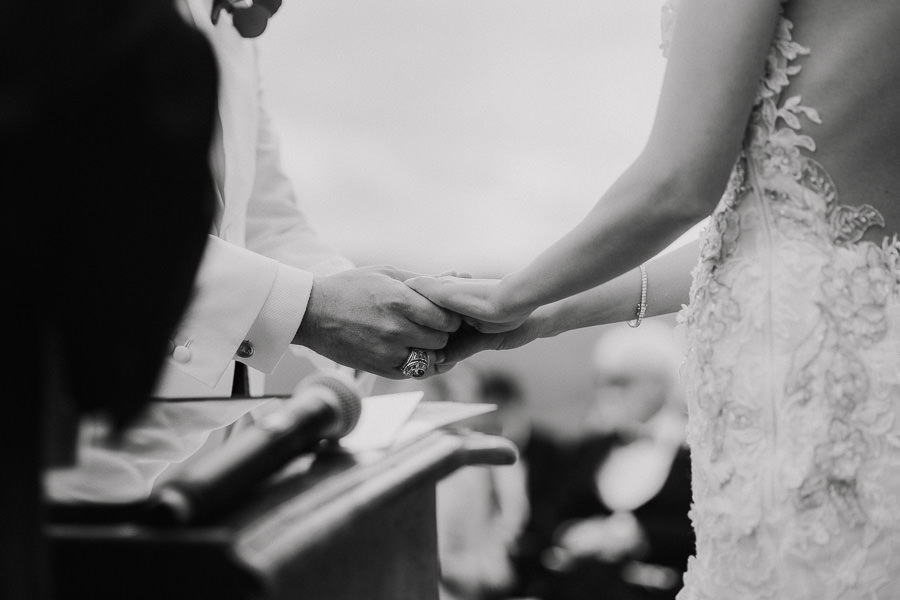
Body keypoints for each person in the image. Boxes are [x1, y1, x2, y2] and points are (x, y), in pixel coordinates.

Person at [408, 1, 900, 597]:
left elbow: (678, 183)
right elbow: (772, 240)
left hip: (794, 377)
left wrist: (511, 296)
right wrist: (547, 310)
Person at [46, 0, 460, 504]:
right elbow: (71, 225)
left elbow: (263, 216)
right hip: (47, 451)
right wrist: (311, 310)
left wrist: (385, 307)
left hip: (178, 464)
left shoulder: (234, 33)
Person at [513, 322, 693, 600]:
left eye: (623, 382)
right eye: (604, 381)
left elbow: (701, 533)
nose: (610, 393)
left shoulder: (691, 451)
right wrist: (574, 534)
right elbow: (547, 515)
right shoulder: (589, 449)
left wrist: (638, 535)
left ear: (660, 383)